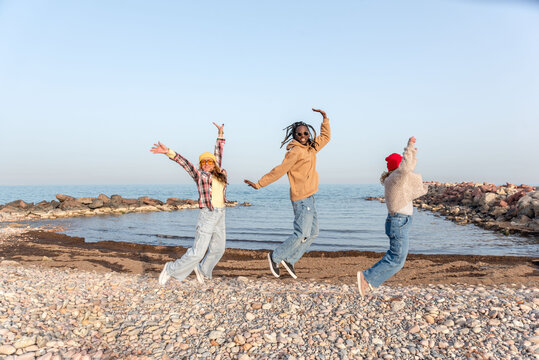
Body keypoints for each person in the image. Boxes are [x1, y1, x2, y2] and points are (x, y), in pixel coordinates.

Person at [244, 108, 331, 279]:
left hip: (310, 197)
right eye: (299, 134)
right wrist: (260, 184)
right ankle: (275, 256)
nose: (303, 135)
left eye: (306, 132)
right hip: (301, 198)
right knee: (301, 233)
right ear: (294, 135)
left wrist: (325, 119)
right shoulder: (295, 152)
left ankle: (290, 259)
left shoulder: (311, 148)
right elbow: (279, 170)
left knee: (313, 233)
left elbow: (326, 137)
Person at [151, 122, 228, 286]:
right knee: (198, 252)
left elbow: (218, 152)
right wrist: (168, 152)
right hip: (208, 214)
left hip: (221, 213)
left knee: (218, 248)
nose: (206, 163)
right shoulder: (199, 175)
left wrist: (220, 134)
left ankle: (203, 270)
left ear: (214, 163)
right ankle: (170, 269)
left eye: (209, 161)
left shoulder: (220, 173)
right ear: (200, 165)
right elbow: (184, 162)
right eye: (203, 162)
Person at [357, 136, 428, 297]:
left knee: (398, 260)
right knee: (396, 259)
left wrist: (413, 155)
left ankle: (369, 281)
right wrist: (410, 147)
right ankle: (366, 278)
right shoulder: (396, 178)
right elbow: (406, 167)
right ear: (398, 166)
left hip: (401, 221)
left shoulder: (396, 180)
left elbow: (408, 166)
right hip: (399, 221)